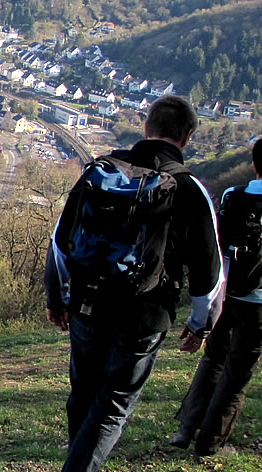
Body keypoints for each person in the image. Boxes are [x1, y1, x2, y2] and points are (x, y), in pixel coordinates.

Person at [45, 94, 225, 472]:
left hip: (87, 305)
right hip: (143, 316)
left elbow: (61, 242)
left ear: (146, 127)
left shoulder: (101, 171)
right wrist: (200, 324)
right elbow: (210, 272)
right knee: (111, 408)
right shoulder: (189, 189)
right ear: (187, 137)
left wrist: (57, 299)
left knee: (84, 398)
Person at [171, 139, 262, 456]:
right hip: (259, 304)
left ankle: (185, 429)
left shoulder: (233, 196)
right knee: (237, 374)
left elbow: (220, 246)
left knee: (213, 360)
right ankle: (209, 444)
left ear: (254, 165)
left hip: (227, 294)